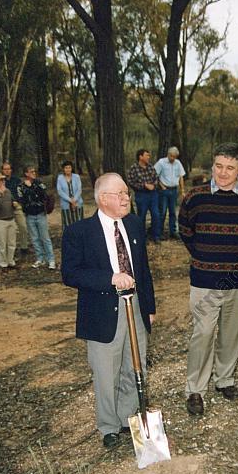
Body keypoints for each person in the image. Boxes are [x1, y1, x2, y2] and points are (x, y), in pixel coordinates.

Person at [61, 172, 156, 449]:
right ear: (103, 199)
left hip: (135, 306)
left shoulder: (135, 224)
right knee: (106, 372)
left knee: (134, 365)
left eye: (127, 193)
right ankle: (108, 426)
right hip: (103, 310)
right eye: (121, 194)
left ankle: (128, 418)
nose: (127, 198)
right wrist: (110, 278)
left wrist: (148, 307)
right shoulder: (79, 232)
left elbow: (144, 270)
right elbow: (70, 274)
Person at [178, 142, 238, 416]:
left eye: (230, 167)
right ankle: (195, 389)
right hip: (205, 280)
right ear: (212, 166)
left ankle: (224, 379)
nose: (223, 173)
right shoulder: (195, 197)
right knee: (202, 334)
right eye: (218, 166)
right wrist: (206, 258)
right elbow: (185, 231)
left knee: (232, 334)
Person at [17, 166, 56, 270]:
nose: (34, 173)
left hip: (40, 214)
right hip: (29, 215)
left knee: (45, 238)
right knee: (35, 238)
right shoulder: (20, 186)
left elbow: (44, 195)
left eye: (35, 171)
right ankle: (40, 258)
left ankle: (51, 260)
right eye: (31, 172)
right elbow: (21, 199)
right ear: (26, 174)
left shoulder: (39, 183)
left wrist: (33, 187)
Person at [127, 148, 160, 244]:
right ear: (140, 157)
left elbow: (156, 178)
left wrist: (153, 185)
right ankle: (142, 237)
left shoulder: (150, 167)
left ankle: (156, 236)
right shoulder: (134, 168)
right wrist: (144, 185)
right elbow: (131, 182)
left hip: (153, 194)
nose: (149, 157)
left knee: (156, 214)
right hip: (141, 195)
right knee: (141, 216)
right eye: (147, 155)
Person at [155, 146, 185, 239]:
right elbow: (154, 175)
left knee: (173, 212)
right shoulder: (161, 162)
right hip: (164, 190)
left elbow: (181, 177)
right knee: (162, 212)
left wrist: (182, 190)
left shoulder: (178, 163)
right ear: (168, 154)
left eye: (174, 156)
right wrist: (161, 186)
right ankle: (159, 233)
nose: (172, 158)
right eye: (171, 156)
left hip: (174, 190)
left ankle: (173, 231)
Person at [1, 161, 29, 254]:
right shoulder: (0, 181)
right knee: (8, 230)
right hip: (5, 209)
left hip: (17, 206)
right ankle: (8, 250)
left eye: (8, 169)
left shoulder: (16, 180)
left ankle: (24, 247)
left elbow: (21, 192)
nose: (7, 171)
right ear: (2, 170)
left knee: (23, 226)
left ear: (11, 170)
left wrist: (19, 202)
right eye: (5, 169)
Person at [0, 172, 17, 270]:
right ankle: (3, 263)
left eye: (3, 180)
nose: (3, 182)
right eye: (1, 180)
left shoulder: (8, 191)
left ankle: (10, 261)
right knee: (2, 243)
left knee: (11, 242)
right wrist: (0, 195)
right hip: (0, 221)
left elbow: (12, 201)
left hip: (11, 219)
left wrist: (14, 204)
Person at [56, 160, 84, 229]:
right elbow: (60, 191)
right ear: (63, 169)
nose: (68, 169)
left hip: (77, 203)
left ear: (72, 168)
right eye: (66, 168)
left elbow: (79, 189)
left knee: (79, 223)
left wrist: (74, 200)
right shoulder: (60, 178)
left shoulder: (76, 177)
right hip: (66, 204)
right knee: (68, 225)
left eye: (69, 167)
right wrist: (70, 200)